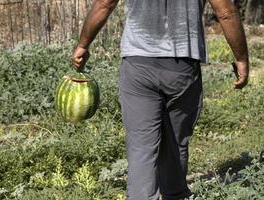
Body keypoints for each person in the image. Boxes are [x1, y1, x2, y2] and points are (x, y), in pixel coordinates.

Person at [72, 0, 249, 199]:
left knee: (141, 147)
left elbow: (105, 4)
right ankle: (175, 194)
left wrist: (83, 44)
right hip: (182, 66)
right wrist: (241, 59)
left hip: (138, 64)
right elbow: (225, 12)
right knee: (175, 142)